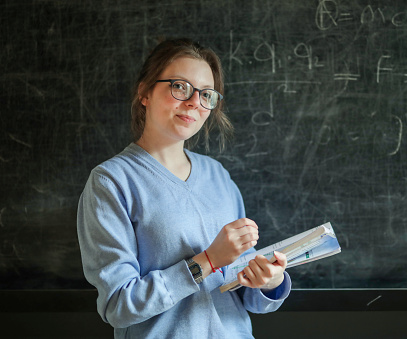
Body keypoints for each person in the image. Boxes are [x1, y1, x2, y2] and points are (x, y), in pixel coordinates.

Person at [77, 38, 291, 339]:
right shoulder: (111, 182)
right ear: (145, 92)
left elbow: (245, 293)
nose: (193, 102)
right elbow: (119, 306)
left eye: (206, 94)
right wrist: (208, 260)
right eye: (179, 87)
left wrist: (268, 280)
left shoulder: (218, 176)